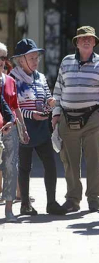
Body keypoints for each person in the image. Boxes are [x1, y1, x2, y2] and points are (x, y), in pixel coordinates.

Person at [52, 26, 99, 213]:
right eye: (82, 38)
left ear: (94, 42)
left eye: (90, 38)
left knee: (94, 160)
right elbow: (58, 89)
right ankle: (73, 199)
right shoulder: (66, 62)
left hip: (93, 118)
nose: (86, 41)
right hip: (67, 118)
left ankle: (94, 199)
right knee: (69, 162)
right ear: (76, 42)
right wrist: (56, 114)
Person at [10, 38, 66, 216]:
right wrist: (30, 115)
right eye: (32, 58)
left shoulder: (40, 77)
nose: (36, 61)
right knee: (25, 167)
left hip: (41, 128)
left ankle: (51, 203)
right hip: (23, 129)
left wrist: (50, 105)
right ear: (21, 60)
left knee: (50, 164)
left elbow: (46, 101)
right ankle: (25, 203)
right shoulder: (13, 79)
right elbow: (12, 106)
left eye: (37, 58)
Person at [0, 42, 23, 221]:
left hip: (9, 129)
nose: (1, 61)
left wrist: (22, 128)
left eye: (3, 57)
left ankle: (9, 209)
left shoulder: (10, 81)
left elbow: (15, 108)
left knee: (11, 167)